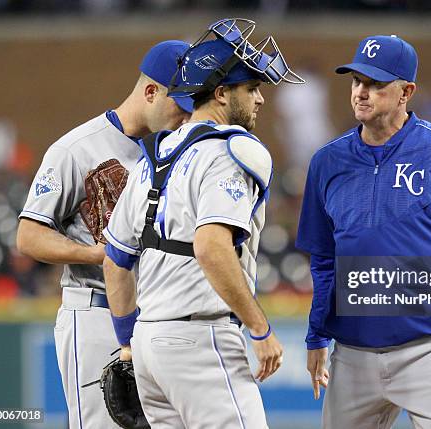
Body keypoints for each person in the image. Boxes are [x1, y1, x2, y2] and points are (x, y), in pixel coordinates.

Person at [296, 35, 431, 429]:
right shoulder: (327, 162)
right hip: (352, 355)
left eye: (376, 84)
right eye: (356, 82)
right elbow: (324, 260)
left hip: (430, 351)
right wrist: (316, 336)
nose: (362, 93)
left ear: (406, 92)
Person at [102, 18, 304, 428]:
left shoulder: (152, 158)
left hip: (148, 346)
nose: (261, 100)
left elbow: (115, 262)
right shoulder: (231, 150)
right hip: (201, 340)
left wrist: (128, 347)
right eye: (252, 89)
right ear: (221, 91)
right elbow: (210, 247)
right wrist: (261, 329)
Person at [16, 40, 193, 429]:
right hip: (95, 311)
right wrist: (101, 254)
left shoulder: (169, 150)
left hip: (153, 317)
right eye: (180, 103)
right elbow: (29, 235)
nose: (186, 115)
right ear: (151, 91)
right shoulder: (75, 149)